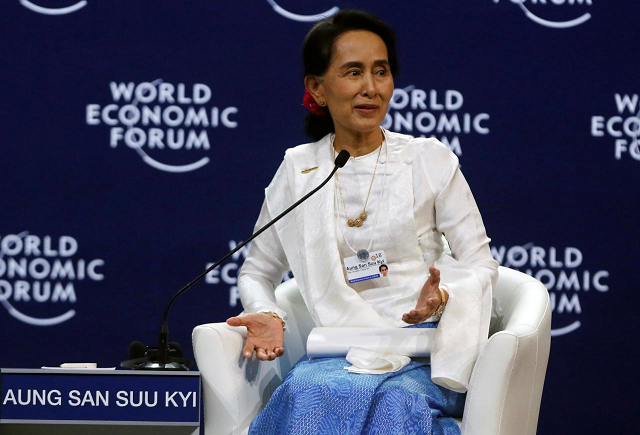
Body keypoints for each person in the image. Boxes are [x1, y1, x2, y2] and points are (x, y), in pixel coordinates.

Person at [226, 9, 498, 434]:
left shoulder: (429, 160)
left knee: (397, 402)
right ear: (317, 89)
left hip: (424, 350)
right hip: (339, 351)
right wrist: (267, 313)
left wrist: (444, 296)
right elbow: (258, 271)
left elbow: (482, 265)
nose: (371, 88)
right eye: (353, 72)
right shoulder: (299, 171)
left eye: (381, 71)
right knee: (308, 392)